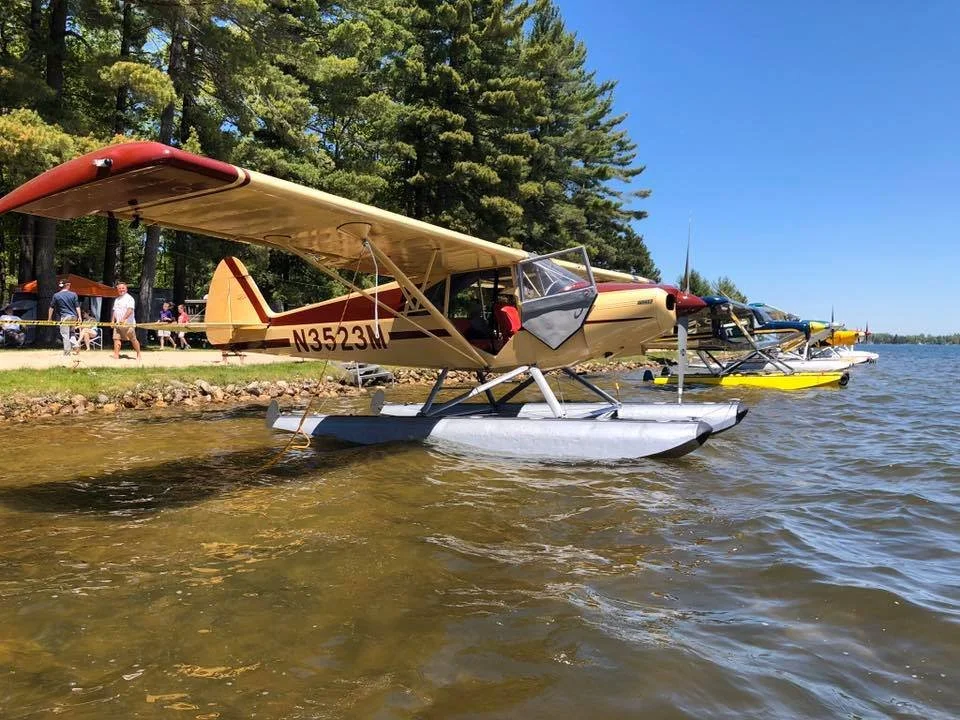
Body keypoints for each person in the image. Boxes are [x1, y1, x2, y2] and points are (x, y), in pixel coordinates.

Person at [48, 280, 82, 356]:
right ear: (67, 285)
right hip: (74, 316)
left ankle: (67, 353)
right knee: (71, 333)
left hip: (65, 317)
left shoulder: (56, 295)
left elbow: (51, 308)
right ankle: (76, 345)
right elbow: (77, 306)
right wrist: (79, 317)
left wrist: (49, 318)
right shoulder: (73, 294)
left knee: (65, 334)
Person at [111, 281, 141, 361]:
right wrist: (112, 321)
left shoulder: (129, 298)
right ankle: (116, 355)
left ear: (126, 289)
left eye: (123, 288)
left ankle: (138, 354)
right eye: (119, 288)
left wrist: (123, 319)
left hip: (128, 324)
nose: (121, 290)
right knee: (116, 339)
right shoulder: (117, 299)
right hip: (118, 324)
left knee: (133, 340)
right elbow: (114, 311)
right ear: (117, 289)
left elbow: (130, 310)